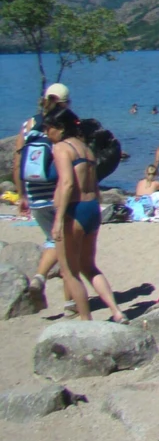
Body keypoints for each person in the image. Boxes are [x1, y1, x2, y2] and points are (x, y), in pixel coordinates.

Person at [44, 105, 126, 323]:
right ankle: (116, 312)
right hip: (92, 209)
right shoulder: (86, 149)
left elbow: (68, 183)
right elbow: (95, 185)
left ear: (59, 128)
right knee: (89, 267)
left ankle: (85, 320)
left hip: (75, 208)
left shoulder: (62, 148)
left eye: (48, 128)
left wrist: (59, 219)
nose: (46, 133)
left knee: (69, 270)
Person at [12, 83, 71, 295]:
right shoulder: (63, 124)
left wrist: (22, 195)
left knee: (51, 239)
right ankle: (68, 302)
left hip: (34, 191)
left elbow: (18, 161)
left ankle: (39, 277)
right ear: (65, 102)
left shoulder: (27, 125)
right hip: (56, 190)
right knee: (66, 245)